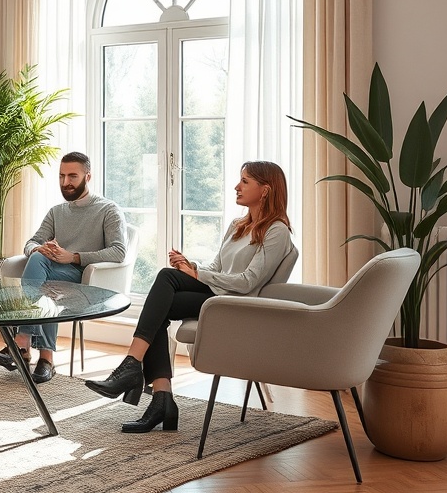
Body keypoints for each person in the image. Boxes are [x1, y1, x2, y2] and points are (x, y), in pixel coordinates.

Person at [85, 160, 294, 434]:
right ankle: (159, 397)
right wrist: (192, 267)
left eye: (244, 181)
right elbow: (217, 269)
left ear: (265, 190)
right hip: (218, 294)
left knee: (160, 296)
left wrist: (196, 275)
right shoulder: (237, 225)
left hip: (237, 305)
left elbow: (248, 282)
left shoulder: (277, 231)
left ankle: (138, 373)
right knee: (165, 283)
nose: (236, 186)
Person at [0, 152, 127, 384]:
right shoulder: (57, 211)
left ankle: (22, 344)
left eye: (72, 176)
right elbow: (31, 242)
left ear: (88, 177)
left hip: (86, 277)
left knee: (43, 278)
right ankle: (45, 359)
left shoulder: (108, 210)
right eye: (62, 176)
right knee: (40, 266)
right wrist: (38, 249)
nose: (66, 182)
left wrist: (72, 257)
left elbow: (118, 251)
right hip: (52, 275)